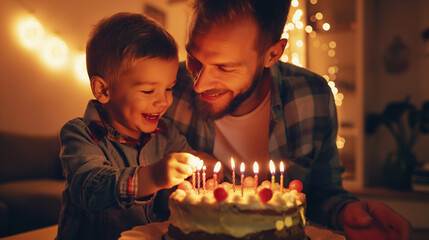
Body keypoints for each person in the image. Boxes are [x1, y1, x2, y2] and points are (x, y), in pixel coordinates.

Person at [164, 0, 412, 239]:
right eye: (194, 58)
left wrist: (346, 212)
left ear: (272, 54)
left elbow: (322, 192)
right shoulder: (164, 91)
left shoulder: (311, 96)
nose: (199, 84)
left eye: (224, 67)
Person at [55, 12, 202, 240]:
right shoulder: (80, 134)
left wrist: (200, 174)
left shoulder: (166, 134)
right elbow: (90, 189)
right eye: (147, 91)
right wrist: (152, 177)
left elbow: (191, 165)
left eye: (169, 88)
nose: (163, 101)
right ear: (104, 90)